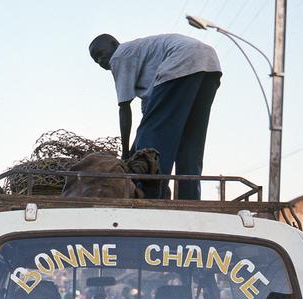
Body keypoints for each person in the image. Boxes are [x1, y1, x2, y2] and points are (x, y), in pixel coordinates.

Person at [89, 33, 222, 199]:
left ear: (114, 44)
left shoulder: (119, 56)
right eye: (96, 60)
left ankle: (149, 195)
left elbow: (124, 108)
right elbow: (149, 120)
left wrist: (125, 155)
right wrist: (135, 145)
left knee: (150, 142)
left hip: (181, 58)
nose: (101, 61)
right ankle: (189, 198)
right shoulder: (145, 64)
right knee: (189, 142)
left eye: (101, 54)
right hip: (209, 64)